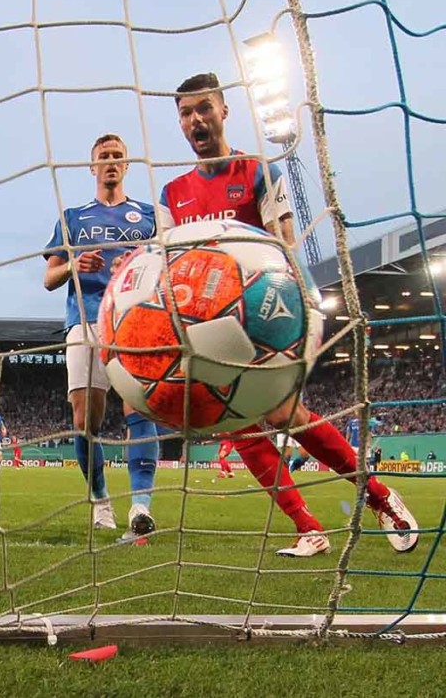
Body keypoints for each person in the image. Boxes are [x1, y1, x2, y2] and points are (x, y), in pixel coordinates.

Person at [157, 72, 418, 556]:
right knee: (236, 422)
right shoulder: (171, 194)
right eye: (186, 113)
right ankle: (307, 528)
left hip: (265, 317)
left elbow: (286, 242)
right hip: (207, 330)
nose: (196, 119)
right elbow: (167, 266)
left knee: (285, 414)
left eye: (204, 108)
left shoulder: (257, 172)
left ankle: (381, 498)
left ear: (223, 111)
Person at [43, 132, 159, 539]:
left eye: (117, 156)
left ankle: (141, 507)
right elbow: (49, 278)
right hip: (86, 320)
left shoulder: (150, 216)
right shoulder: (73, 217)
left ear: (127, 166)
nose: (110, 162)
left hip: (137, 321)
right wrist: (75, 265)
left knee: (139, 410)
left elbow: (170, 268)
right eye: (103, 156)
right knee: (84, 421)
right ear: (92, 167)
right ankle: (100, 499)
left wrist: (139, 263)